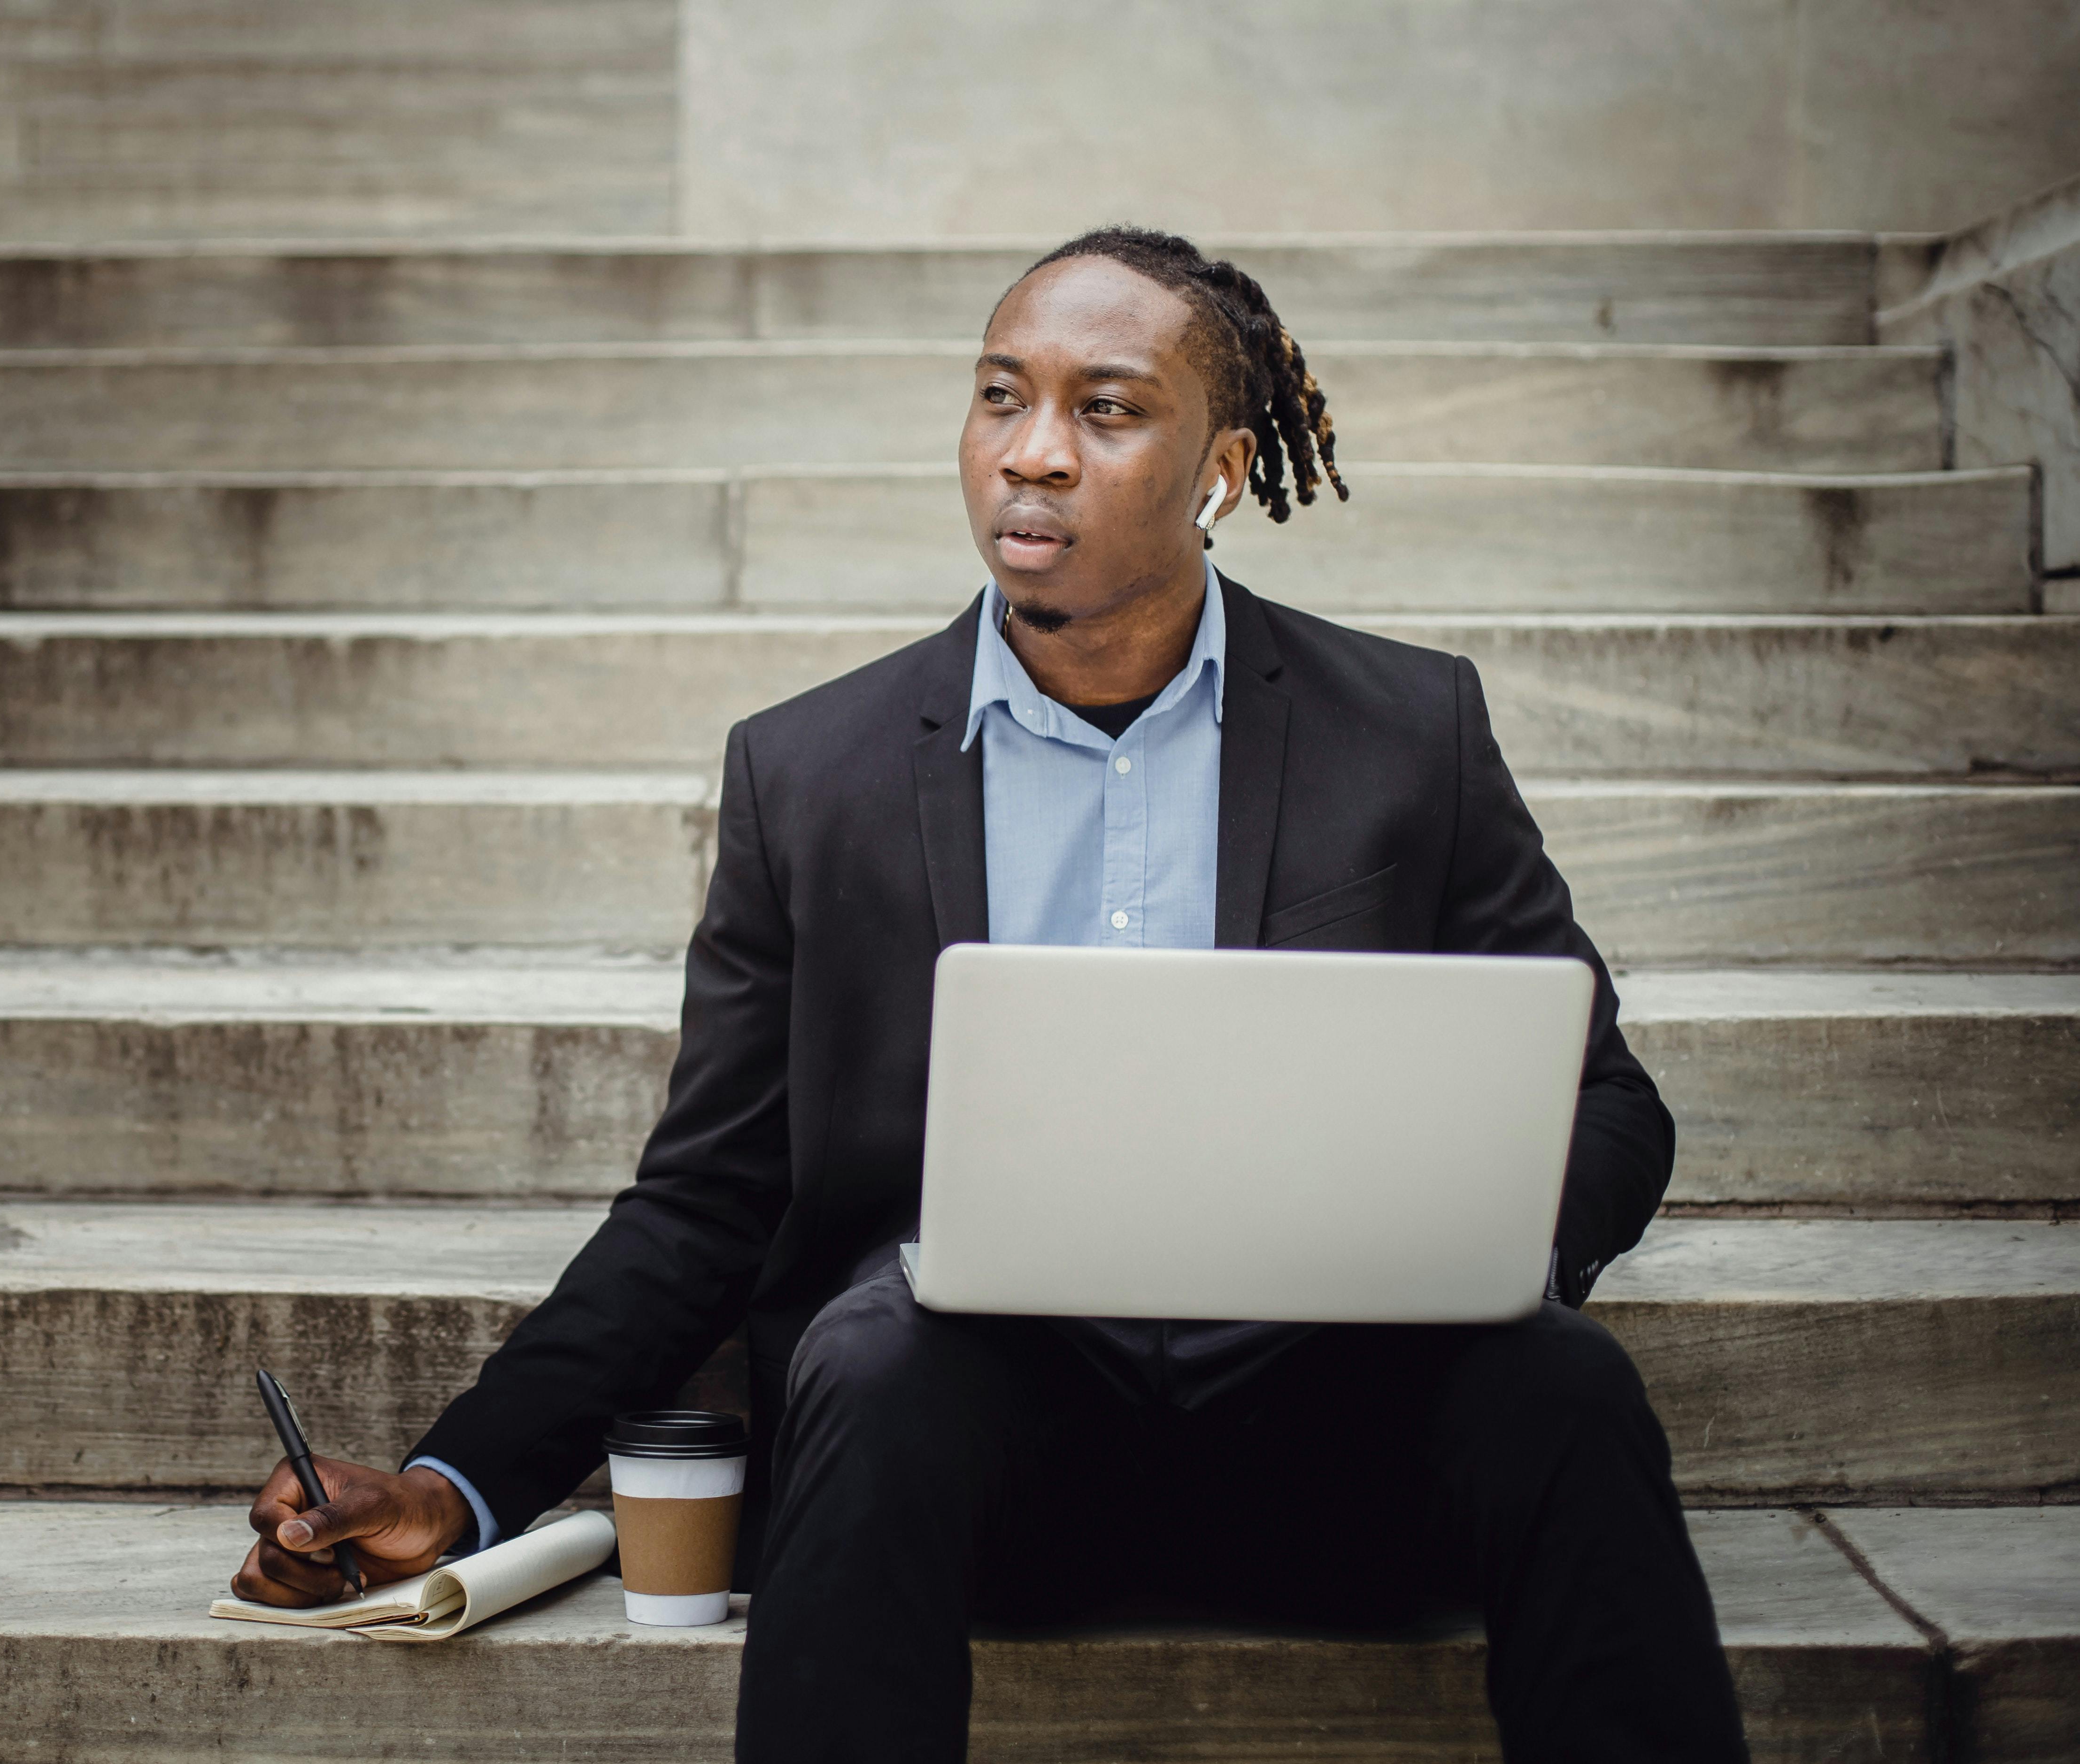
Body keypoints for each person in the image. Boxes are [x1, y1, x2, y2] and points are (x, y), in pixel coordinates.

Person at [231, 224, 1749, 1764]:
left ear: (1222, 467)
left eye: (1106, 409)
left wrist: (1483, 1252)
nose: (1033, 456)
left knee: (1563, 1385)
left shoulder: (1407, 732)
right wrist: (457, 1482)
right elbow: (707, 1200)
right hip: (966, 1467)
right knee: (877, 1346)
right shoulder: (809, 775)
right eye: (999, 397)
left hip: (1339, 1446)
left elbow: (1608, 1106)